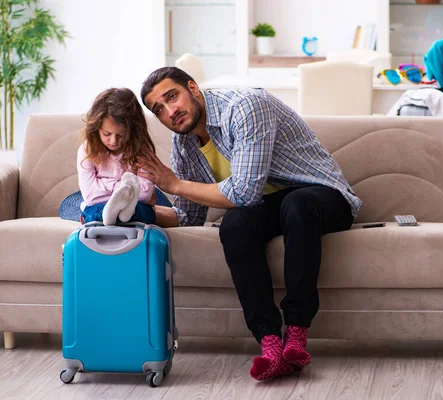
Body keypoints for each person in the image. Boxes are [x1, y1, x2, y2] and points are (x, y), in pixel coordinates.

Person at [139, 67, 362, 381]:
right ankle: (270, 342)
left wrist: (174, 185)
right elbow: (189, 216)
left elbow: (244, 191)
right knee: (234, 226)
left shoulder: (245, 105)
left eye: (172, 96)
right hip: (269, 206)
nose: (170, 110)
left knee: (296, 205)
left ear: (193, 88)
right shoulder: (185, 145)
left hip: (321, 195)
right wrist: (141, 210)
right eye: (158, 109)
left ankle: (296, 334)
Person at [77, 88, 157, 226]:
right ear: (96, 129)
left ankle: (124, 213)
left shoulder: (141, 150)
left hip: (135, 207)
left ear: (133, 131)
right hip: (100, 205)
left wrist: (103, 184)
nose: (113, 141)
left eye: (120, 135)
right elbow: (90, 196)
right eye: (107, 134)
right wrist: (126, 187)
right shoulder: (87, 150)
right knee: (93, 212)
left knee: (145, 212)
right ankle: (118, 213)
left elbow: (145, 194)